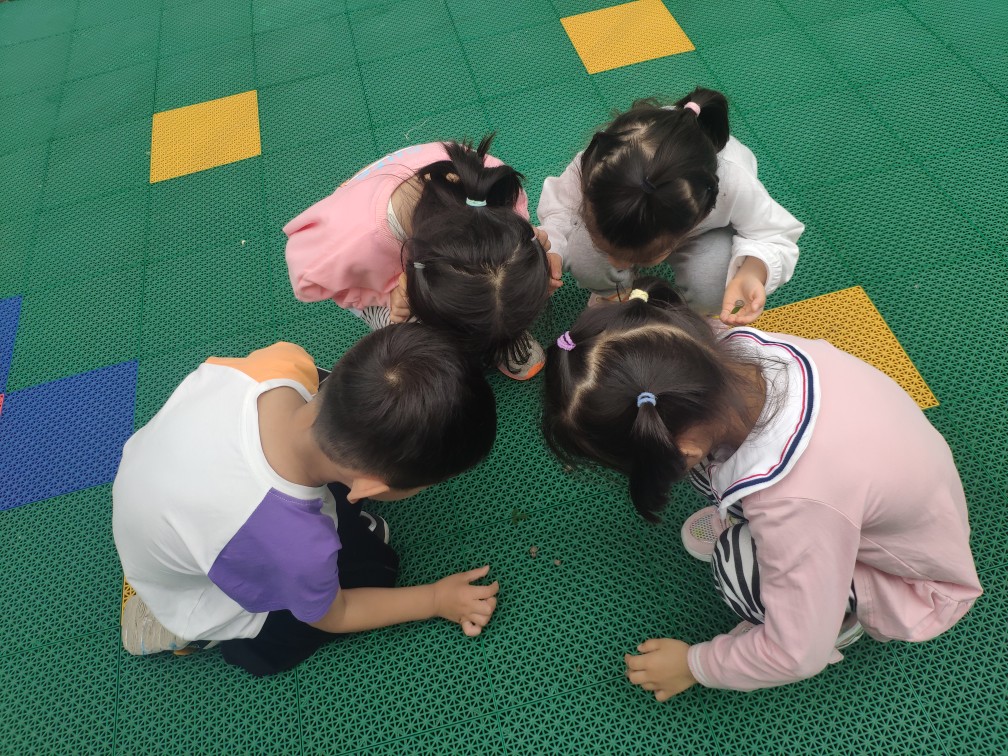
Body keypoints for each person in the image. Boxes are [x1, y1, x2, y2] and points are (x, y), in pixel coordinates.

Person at [542, 278, 982, 696]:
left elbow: (796, 654)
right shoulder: (732, 351)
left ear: (683, 448)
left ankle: (840, 621)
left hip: (914, 582)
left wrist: (696, 665)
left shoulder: (796, 502)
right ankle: (758, 527)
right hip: (889, 501)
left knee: (735, 566)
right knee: (737, 482)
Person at [113, 325, 500, 676]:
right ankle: (179, 628)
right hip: (192, 581)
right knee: (375, 570)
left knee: (342, 526)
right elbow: (334, 615)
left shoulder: (284, 363)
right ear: (369, 487)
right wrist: (434, 599)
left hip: (155, 490)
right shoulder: (295, 545)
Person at [284, 136, 561, 380]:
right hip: (373, 276)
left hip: (414, 257)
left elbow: (500, 265)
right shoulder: (350, 243)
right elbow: (306, 277)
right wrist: (388, 297)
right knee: (410, 330)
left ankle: (495, 325)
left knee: (502, 296)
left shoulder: (488, 184)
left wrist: (526, 255)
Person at [537, 88, 803, 325]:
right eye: (608, 248)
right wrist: (554, 247)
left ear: (698, 215)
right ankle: (613, 296)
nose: (615, 263)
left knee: (713, 284)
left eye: (638, 258)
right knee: (584, 255)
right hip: (657, 218)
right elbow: (562, 206)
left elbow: (775, 235)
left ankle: (689, 314)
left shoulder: (733, 184)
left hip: (705, 234)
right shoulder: (606, 161)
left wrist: (753, 271)